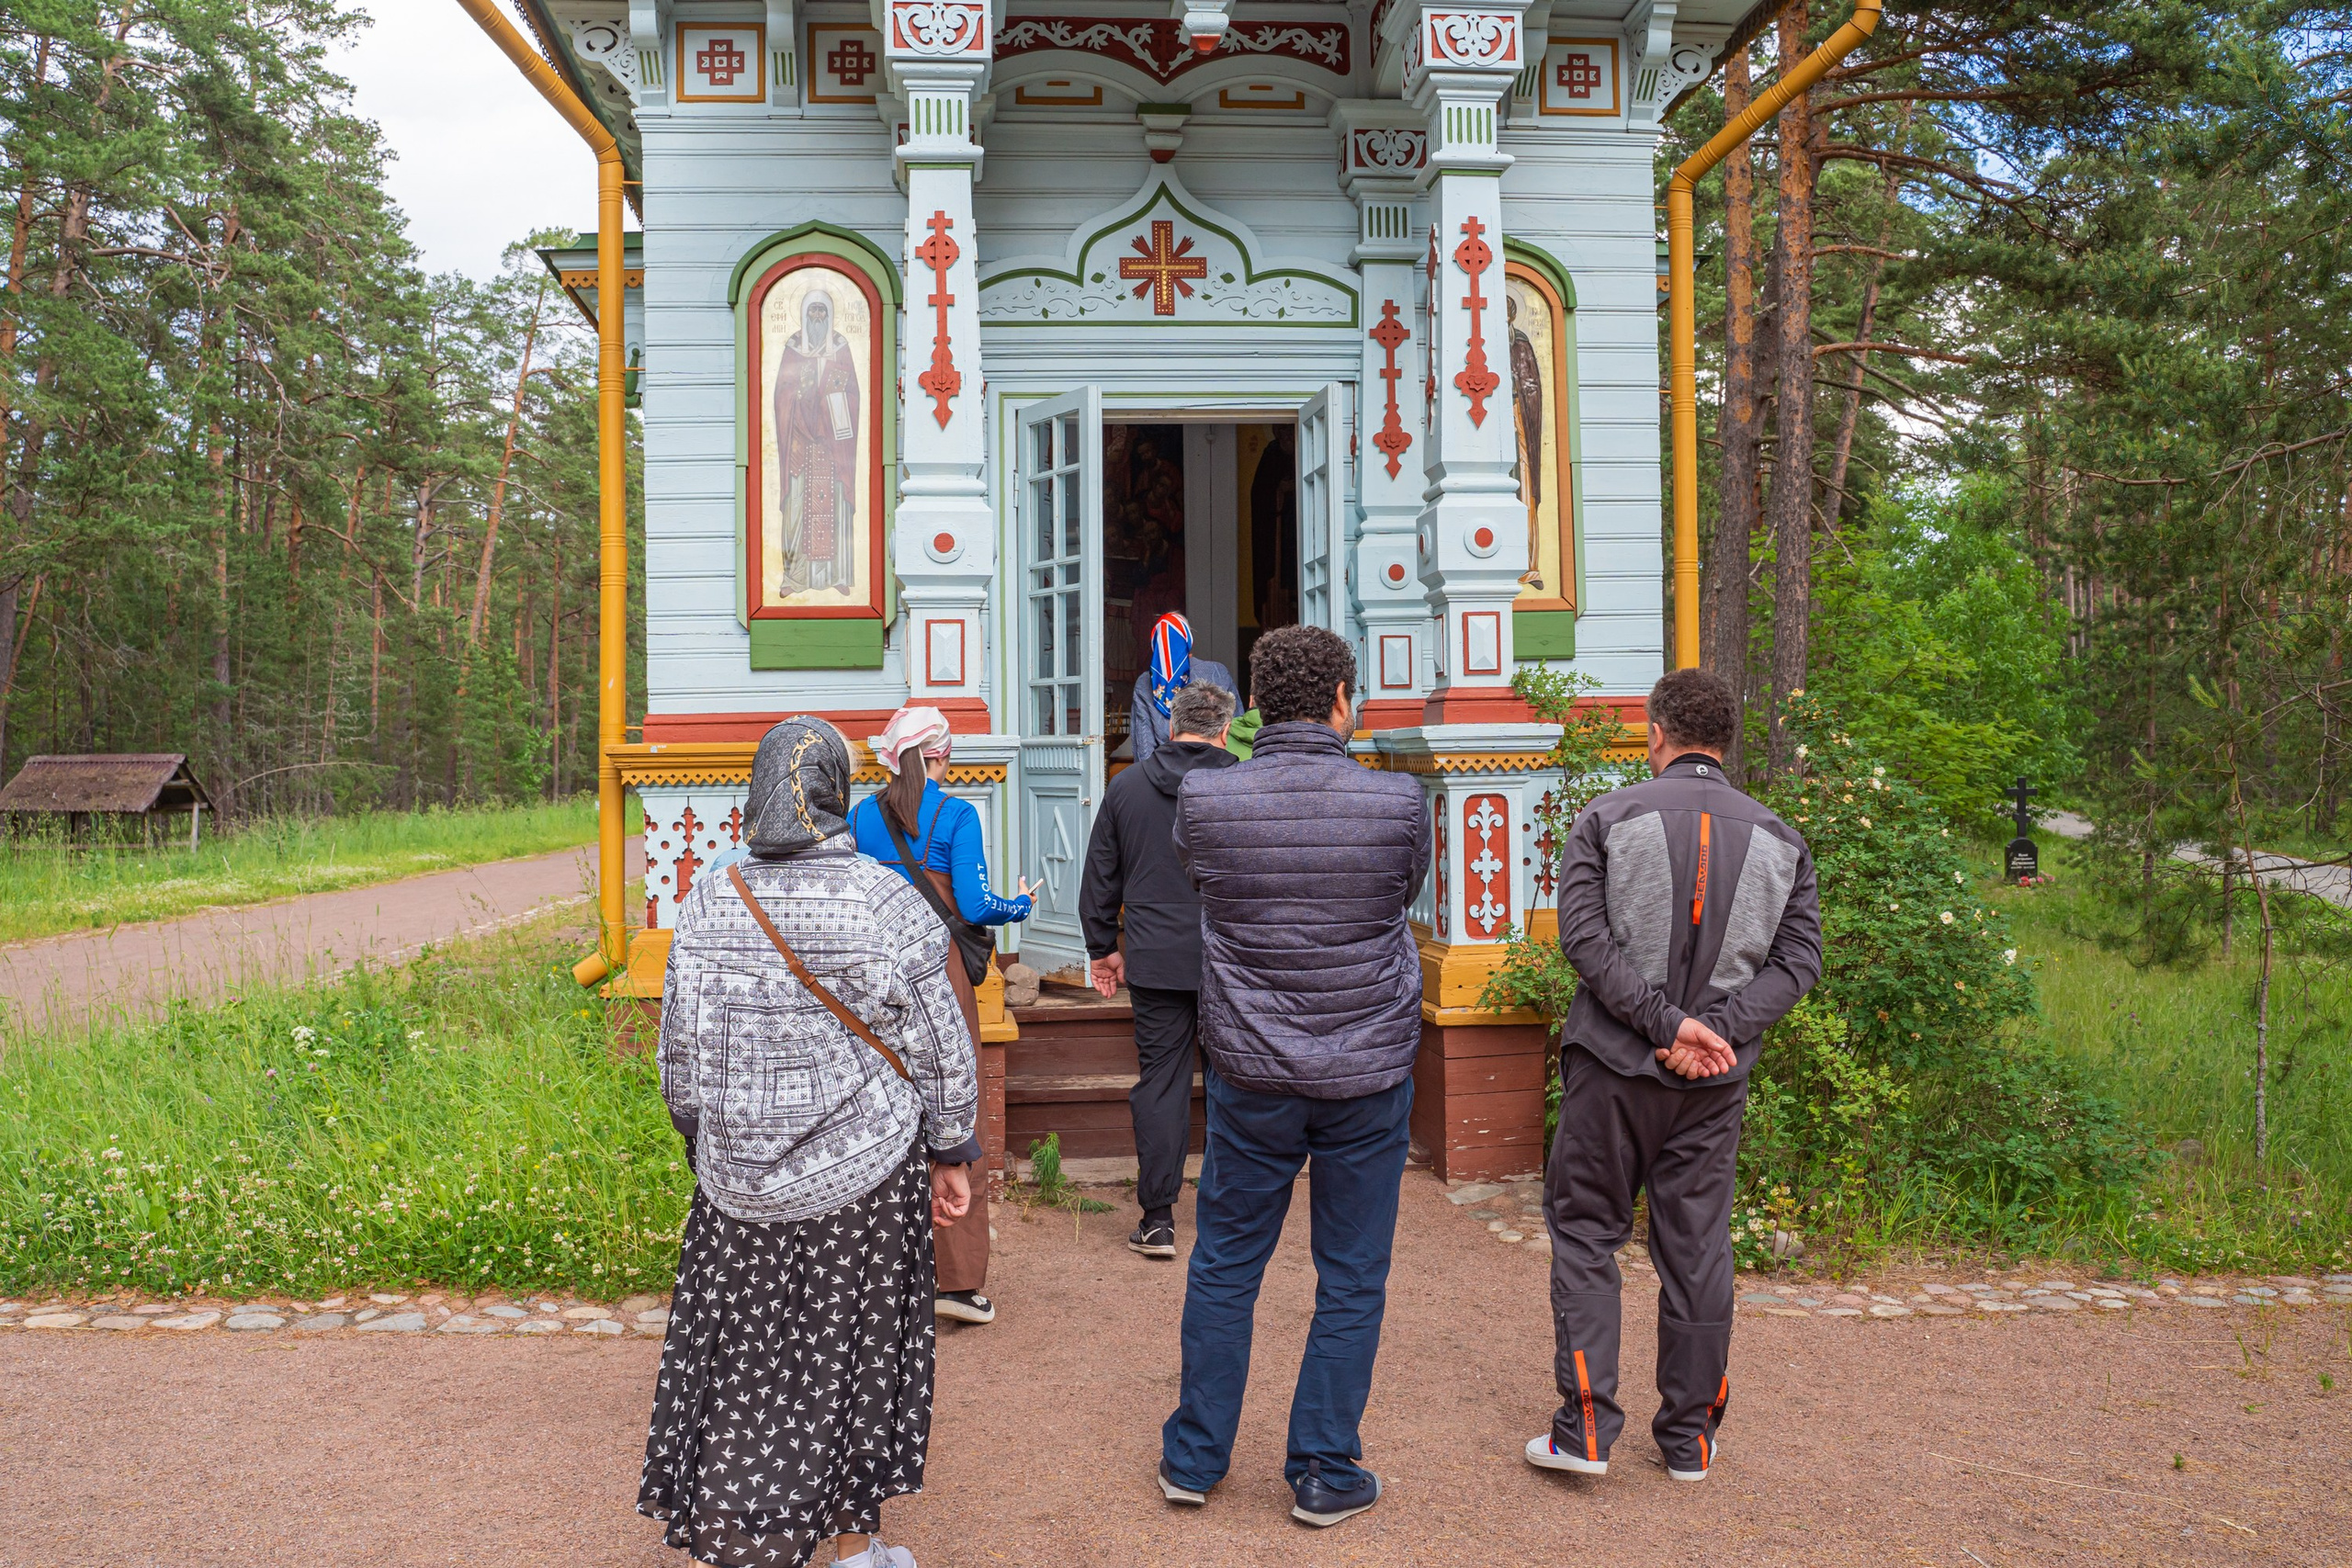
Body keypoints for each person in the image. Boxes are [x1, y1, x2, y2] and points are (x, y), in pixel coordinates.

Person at [642, 716, 979, 1568]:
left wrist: (702, 1142)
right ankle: (853, 1549)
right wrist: (952, 1148)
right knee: (856, 1354)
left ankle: (737, 1533)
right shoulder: (885, 899)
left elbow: (679, 1052)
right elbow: (942, 1044)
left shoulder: (710, 897)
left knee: (746, 1361)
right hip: (863, 1176)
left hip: (737, 1182)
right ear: (837, 793)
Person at [1157, 624, 1430, 1530]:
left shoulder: (1206, 802)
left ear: (1259, 709)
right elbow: (1397, 901)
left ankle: (1193, 1458)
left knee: (1228, 1258)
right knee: (1351, 1272)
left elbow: (1212, 894)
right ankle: (1322, 1467)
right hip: (1367, 1066)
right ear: (1343, 700)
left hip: (1253, 1065)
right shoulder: (1396, 807)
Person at [1525, 668, 1821, 1484]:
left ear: (1657, 732)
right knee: (1696, 1248)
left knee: (1587, 1232)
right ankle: (1688, 1439)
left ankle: (1585, 1432)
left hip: (1613, 1069)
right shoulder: (1783, 838)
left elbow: (1583, 941)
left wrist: (1669, 1025)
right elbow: (1800, 964)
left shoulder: (1607, 816)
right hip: (1712, 1083)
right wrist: (1711, 1032)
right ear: (1722, 740)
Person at [848, 705, 1035, 1326]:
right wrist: (1021, 904)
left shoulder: (860, 815)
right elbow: (977, 904)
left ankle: (877, 1276)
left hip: (873, 976)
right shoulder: (957, 814)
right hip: (941, 973)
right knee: (956, 1106)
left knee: (875, 1109)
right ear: (937, 755)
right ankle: (954, 1281)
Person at [1080, 682, 1239, 1259]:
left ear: (1172, 727)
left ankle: (1158, 1219)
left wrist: (1103, 948)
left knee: (1163, 1085)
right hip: (1234, 959)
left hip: (1153, 958)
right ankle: (1232, 1214)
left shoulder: (1125, 787)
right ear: (1224, 730)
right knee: (1234, 1083)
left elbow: (1100, 876)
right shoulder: (1242, 786)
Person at [1129, 611, 1238, 764]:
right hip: (1218, 769)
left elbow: (1143, 751)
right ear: (1188, 641)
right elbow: (1237, 727)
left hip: (1165, 775)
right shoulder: (1216, 671)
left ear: (1155, 644)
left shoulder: (1145, 682)